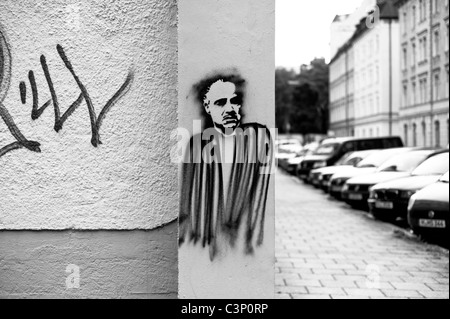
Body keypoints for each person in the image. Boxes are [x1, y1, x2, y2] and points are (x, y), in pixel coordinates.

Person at [179, 72, 273, 260]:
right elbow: (188, 204)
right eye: (220, 102)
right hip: (203, 246)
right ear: (207, 107)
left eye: (235, 101)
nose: (230, 108)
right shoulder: (197, 145)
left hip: (241, 248)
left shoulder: (257, 138)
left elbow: (259, 203)